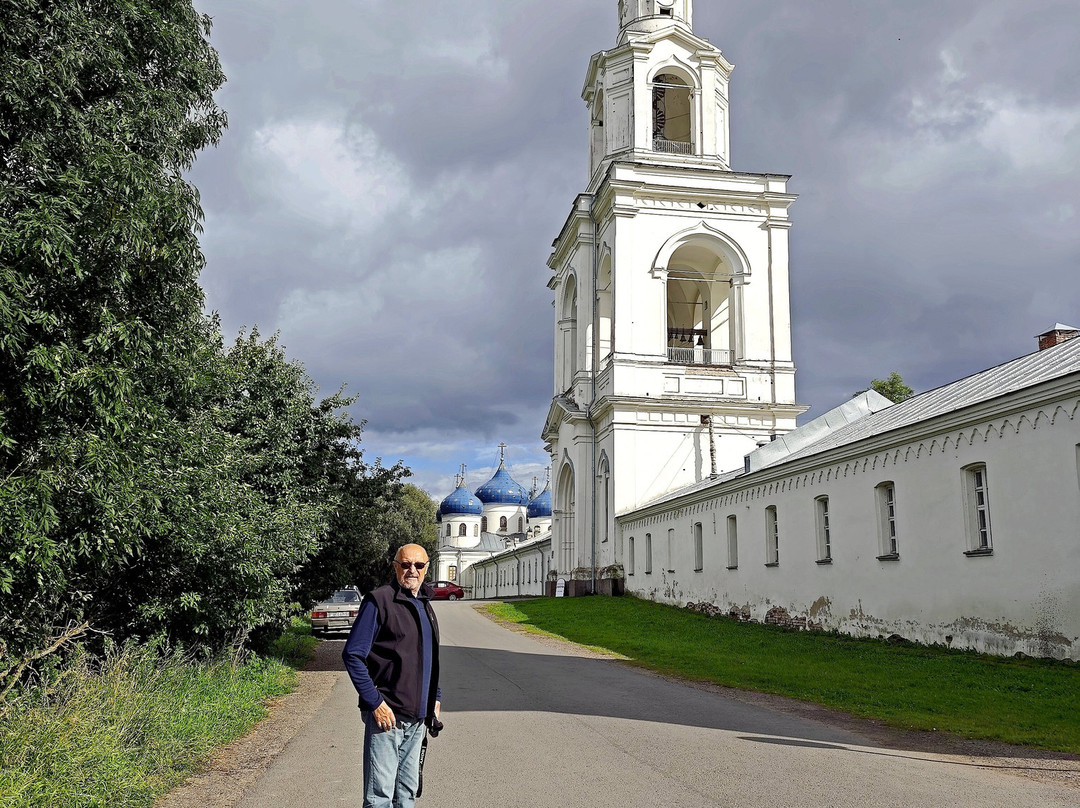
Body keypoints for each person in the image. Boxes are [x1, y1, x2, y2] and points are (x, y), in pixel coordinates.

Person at [342, 544, 442, 808]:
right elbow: (352, 655)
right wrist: (375, 702)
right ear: (396, 566)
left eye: (418, 566)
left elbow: (428, 656)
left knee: (406, 795)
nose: (412, 571)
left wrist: (435, 696)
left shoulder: (424, 604)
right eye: (406, 565)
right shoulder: (379, 601)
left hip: (418, 718)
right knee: (380, 798)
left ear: (427, 568)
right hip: (387, 717)